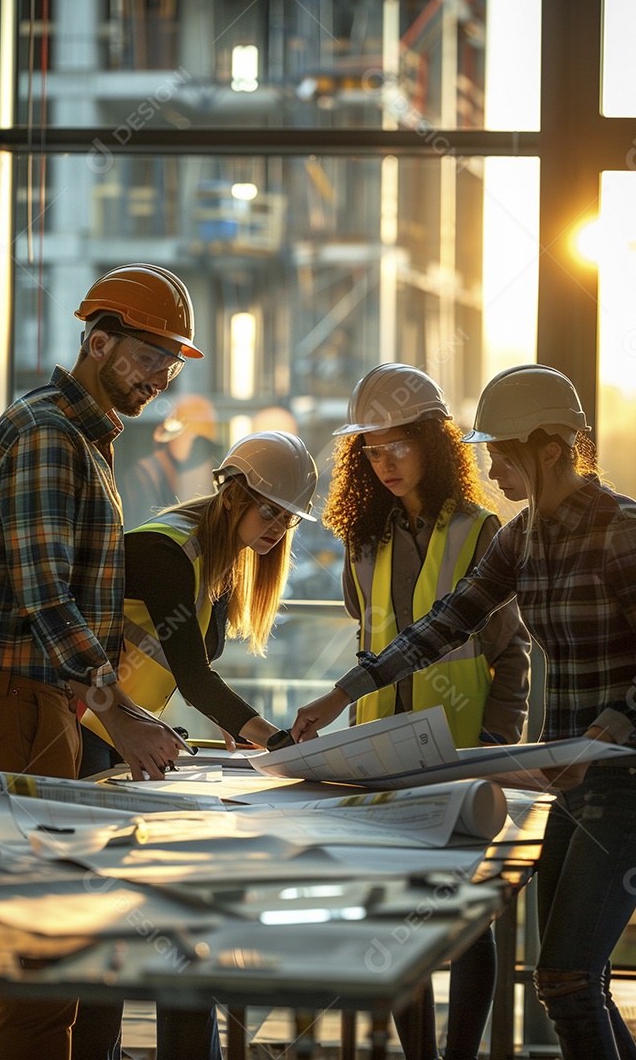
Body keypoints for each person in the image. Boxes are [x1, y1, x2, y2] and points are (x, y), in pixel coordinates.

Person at [292, 364, 636, 1060]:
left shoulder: (622, 532)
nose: (489, 466)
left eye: (499, 453)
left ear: (549, 448)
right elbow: (444, 624)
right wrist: (344, 693)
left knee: (566, 978)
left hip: (623, 782)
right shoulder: (524, 536)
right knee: (572, 980)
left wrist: (616, 722)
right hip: (564, 782)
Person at [0, 263, 203, 1060]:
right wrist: (119, 710)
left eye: (171, 364)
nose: (160, 378)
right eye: (149, 357)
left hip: (33, 701)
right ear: (97, 340)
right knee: (47, 931)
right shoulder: (50, 434)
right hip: (18, 700)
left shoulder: (79, 437)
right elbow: (46, 596)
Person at [75, 429, 318, 1060]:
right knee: (104, 914)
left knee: (133, 908)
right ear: (233, 495)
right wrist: (275, 740)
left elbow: (181, 673)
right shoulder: (169, 549)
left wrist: (243, 734)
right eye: (270, 510)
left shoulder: (217, 561)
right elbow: (193, 675)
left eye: (289, 519)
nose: (278, 528)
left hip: (119, 730)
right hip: (83, 729)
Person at [316, 363, 530, 1060]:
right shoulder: (363, 537)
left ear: (434, 445)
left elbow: (511, 657)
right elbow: (368, 634)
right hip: (378, 756)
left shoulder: (480, 531)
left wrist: (497, 741)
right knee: (398, 926)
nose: (384, 463)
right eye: (370, 450)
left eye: (398, 446)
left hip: (459, 753)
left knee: (466, 924)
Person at [120, 393, 221, 529]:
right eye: (188, 436)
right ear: (172, 433)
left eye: (198, 440)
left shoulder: (189, 474)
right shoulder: (144, 473)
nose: (192, 446)